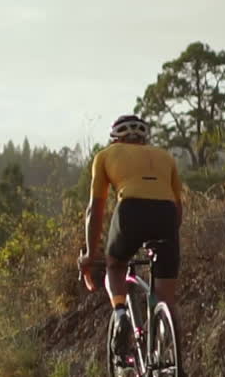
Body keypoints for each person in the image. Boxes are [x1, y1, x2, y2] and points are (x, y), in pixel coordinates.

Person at [78, 114, 183, 362]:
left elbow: (96, 209)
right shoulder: (165, 157)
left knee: (115, 265)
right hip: (166, 216)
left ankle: (121, 312)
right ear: (145, 138)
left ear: (115, 138)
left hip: (131, 210)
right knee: (167, 299)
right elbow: (178, 209)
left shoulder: (105, 156)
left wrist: (90, 255)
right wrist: (166, 239)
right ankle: (175, 363)